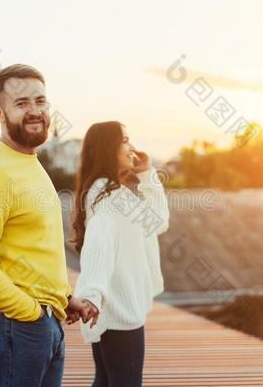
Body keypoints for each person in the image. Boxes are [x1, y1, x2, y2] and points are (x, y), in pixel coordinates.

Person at [0, 63, 90, 387]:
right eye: (21, 103)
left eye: (40, 101)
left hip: (45, 322)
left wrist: (59, 298)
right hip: (15, 326)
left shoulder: (28, 161)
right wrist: (31, 313)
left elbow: (32, 248)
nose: (35, 111)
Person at [71, 121, 169, 387]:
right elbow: (158, 221)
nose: (132, 148)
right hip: (119, 311)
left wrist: (93, 296)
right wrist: (91, 294)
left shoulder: (99, 191)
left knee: (105, 380)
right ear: (108, 149)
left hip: (109, 308)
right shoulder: (114, 198)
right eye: (125, 140)